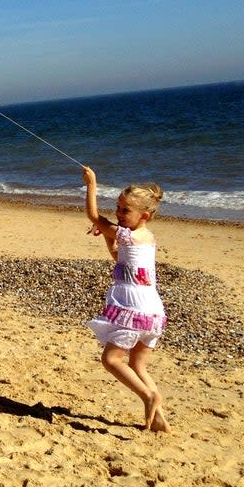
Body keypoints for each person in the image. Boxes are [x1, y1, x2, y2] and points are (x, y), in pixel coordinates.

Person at [82, 165, 171, 432]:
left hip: (134, 308)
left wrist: (91, 183)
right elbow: (119, 258)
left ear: (144, 215)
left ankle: (148, 397)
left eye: (125, 211)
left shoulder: (128, 235)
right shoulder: (146, 238)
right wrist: (106, 238)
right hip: (153, 311)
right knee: (137, 365)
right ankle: (158, 419)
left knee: (111, 360)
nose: (118, 214)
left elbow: (93, 216)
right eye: (118, 207)